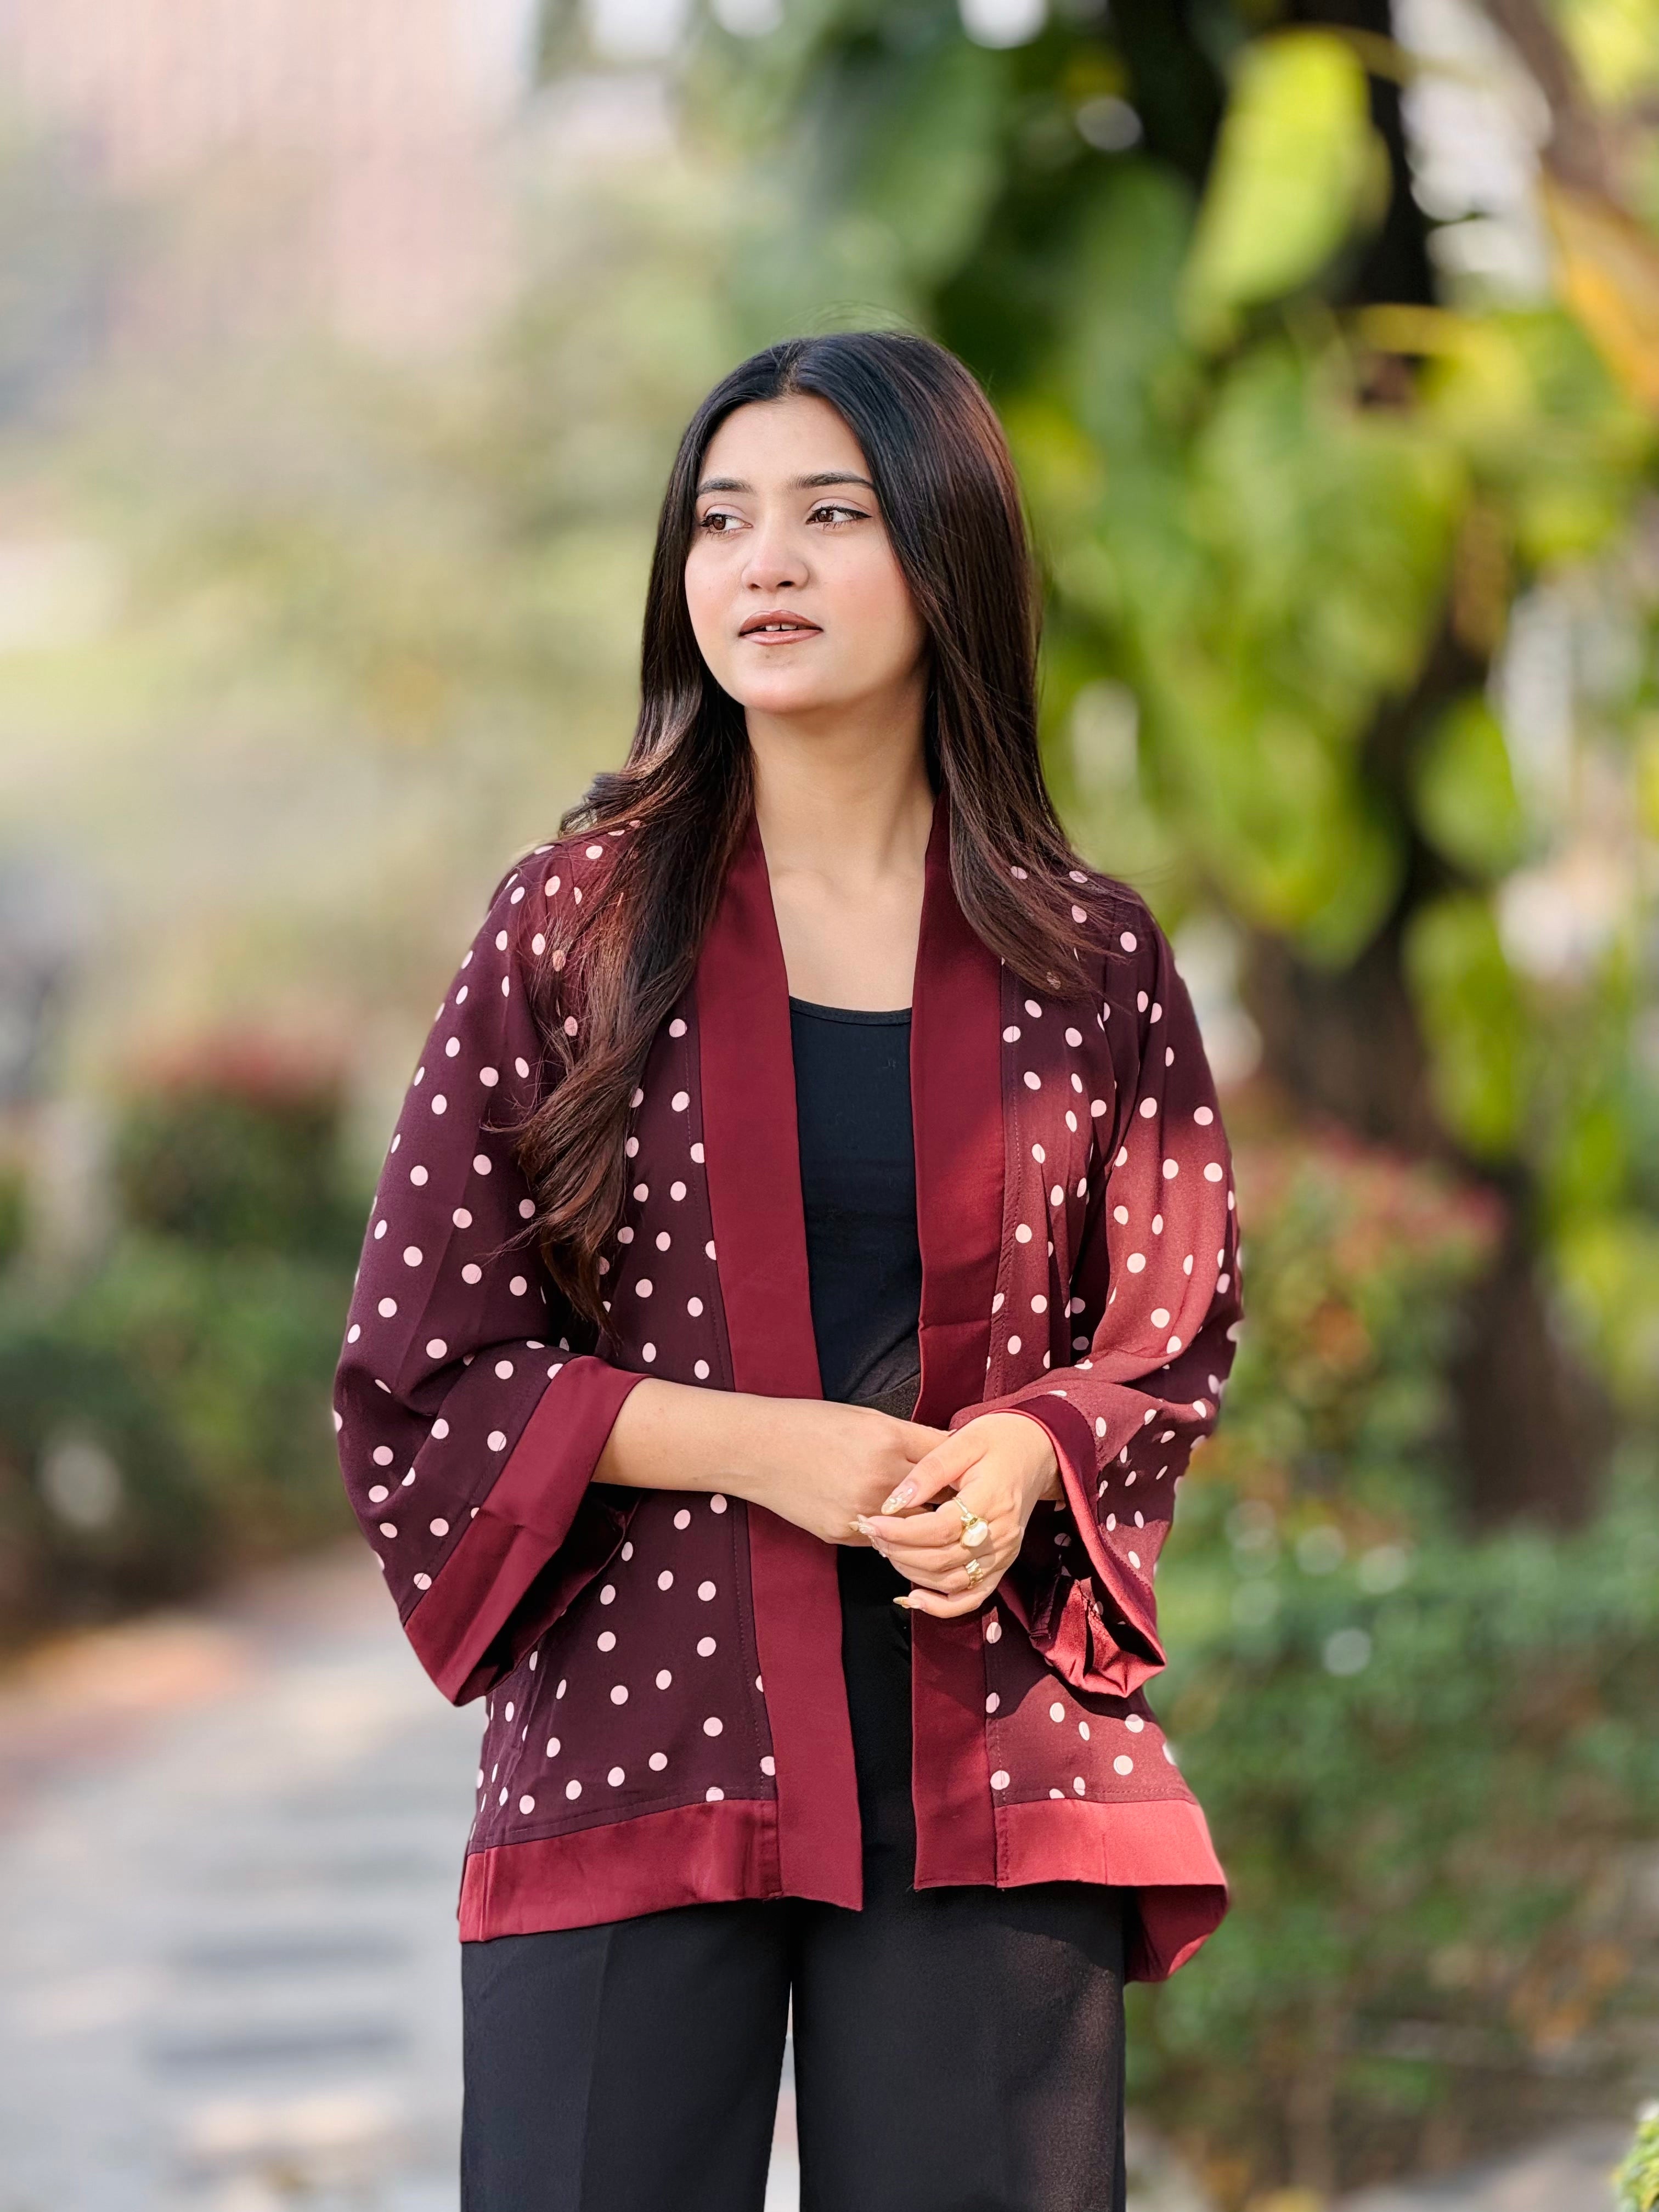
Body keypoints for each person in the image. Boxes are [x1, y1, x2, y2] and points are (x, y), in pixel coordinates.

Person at [332, 330, 1243, 2212]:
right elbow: (430, 1362)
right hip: (638, 1747)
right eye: (722, 518)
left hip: (991, 1767)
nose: (765, 562)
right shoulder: (570, 930)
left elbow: (1168, 1333)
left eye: (831, 515)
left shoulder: (1090, 959)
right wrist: (768, 1447)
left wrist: (1020, 1459)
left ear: (946, 555)